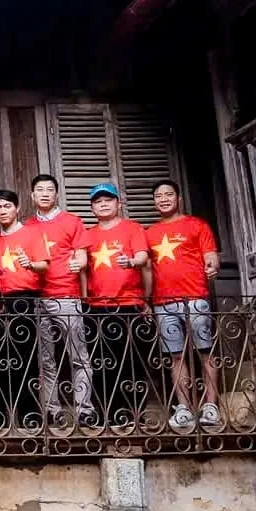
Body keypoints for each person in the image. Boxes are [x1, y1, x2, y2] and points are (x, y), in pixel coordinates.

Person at [146, 180, 222, 430]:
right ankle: (184, 407)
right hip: (163, 301)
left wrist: (212, 266)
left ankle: (210, 405)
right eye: (159, 196)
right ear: (154, 201)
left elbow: (210, 257)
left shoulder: (196, 225)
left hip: (195, 297)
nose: (164, 199)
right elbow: (145, 268)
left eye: (169, 194)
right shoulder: (149, 233)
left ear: (178, 198)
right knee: (175, 356)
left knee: (205, 351)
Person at [76, 183, 151, 428]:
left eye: (108, 199)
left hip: (130, 303)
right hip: (97, 306)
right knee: (101, 362)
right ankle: (107, 411)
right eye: (98, 201)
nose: (103, 204)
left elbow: (143, 259)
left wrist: (132, 265)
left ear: (118, 203)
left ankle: (133, 412)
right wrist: (85, 299)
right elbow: (83, 269)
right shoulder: (88, 235)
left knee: (132, 360)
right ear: (92, 207)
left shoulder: (133, 228)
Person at [25, 174, 94, 426]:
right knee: (45, 359)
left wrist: (79, 264)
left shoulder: (72, 221)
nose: (44, 193)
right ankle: (52, 409)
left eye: (49, 189)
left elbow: (83, 258)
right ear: (32, 196)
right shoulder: (28, 226)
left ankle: (84, 408)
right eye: (39, 189)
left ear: (57, 194)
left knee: (78, 355)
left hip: (66, 294)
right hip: (38, 297)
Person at [0, 189, 42, 313]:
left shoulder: (33, 233)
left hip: (27, 296)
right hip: (1, 299)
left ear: (17, 208)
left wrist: (30, 265)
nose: (2, 211)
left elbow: (44, 265)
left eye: (7, 206)